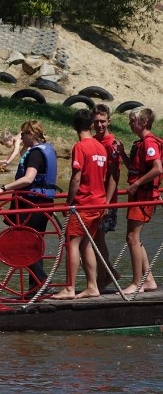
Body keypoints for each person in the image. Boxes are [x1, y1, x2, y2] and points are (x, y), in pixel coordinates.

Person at [0, 120, 57, 294]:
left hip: (33, 204)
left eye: (23, 134)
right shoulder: (44, 149)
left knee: (24, 245)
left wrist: (2, 188)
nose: (21, 137)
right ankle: (35, 286)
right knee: (34, 244)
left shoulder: (35, 154)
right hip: (44, 203)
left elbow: (28, 179)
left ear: (30, 135)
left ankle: (41, 282)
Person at [54, 109, 107, 300]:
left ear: (74, 126)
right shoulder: (100, 146)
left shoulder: (80, 146)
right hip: (99, 203)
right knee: (86, 244)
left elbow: (76, 178)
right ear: (92, 125)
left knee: (72, 244)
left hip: (84, 203)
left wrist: (68, 203)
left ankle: (69, 288)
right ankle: (92, 286)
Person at [115, 107, 160, 294]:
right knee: (134, 238)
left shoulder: (150, 143)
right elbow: (135, 169)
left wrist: (137, 184)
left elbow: (157, 168)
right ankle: (148, 280)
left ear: (143, 122)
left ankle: (136, 283)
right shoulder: (140, 143)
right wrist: (123, 153)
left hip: (143, 196)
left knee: (132, 237)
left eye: (132, 120)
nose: (129, 123)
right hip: (139, 194)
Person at [92, 104, 121, 287]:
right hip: (93, 198)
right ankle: (108, 275)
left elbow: (114, 175)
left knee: (98, 238)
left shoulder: (111, 143)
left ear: (109, 121)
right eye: (96, 122)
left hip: (105, 200)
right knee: (94, 239)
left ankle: (105, 278)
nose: (100, 125)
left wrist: (107, 203)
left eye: (103, 121)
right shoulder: (94, 141)